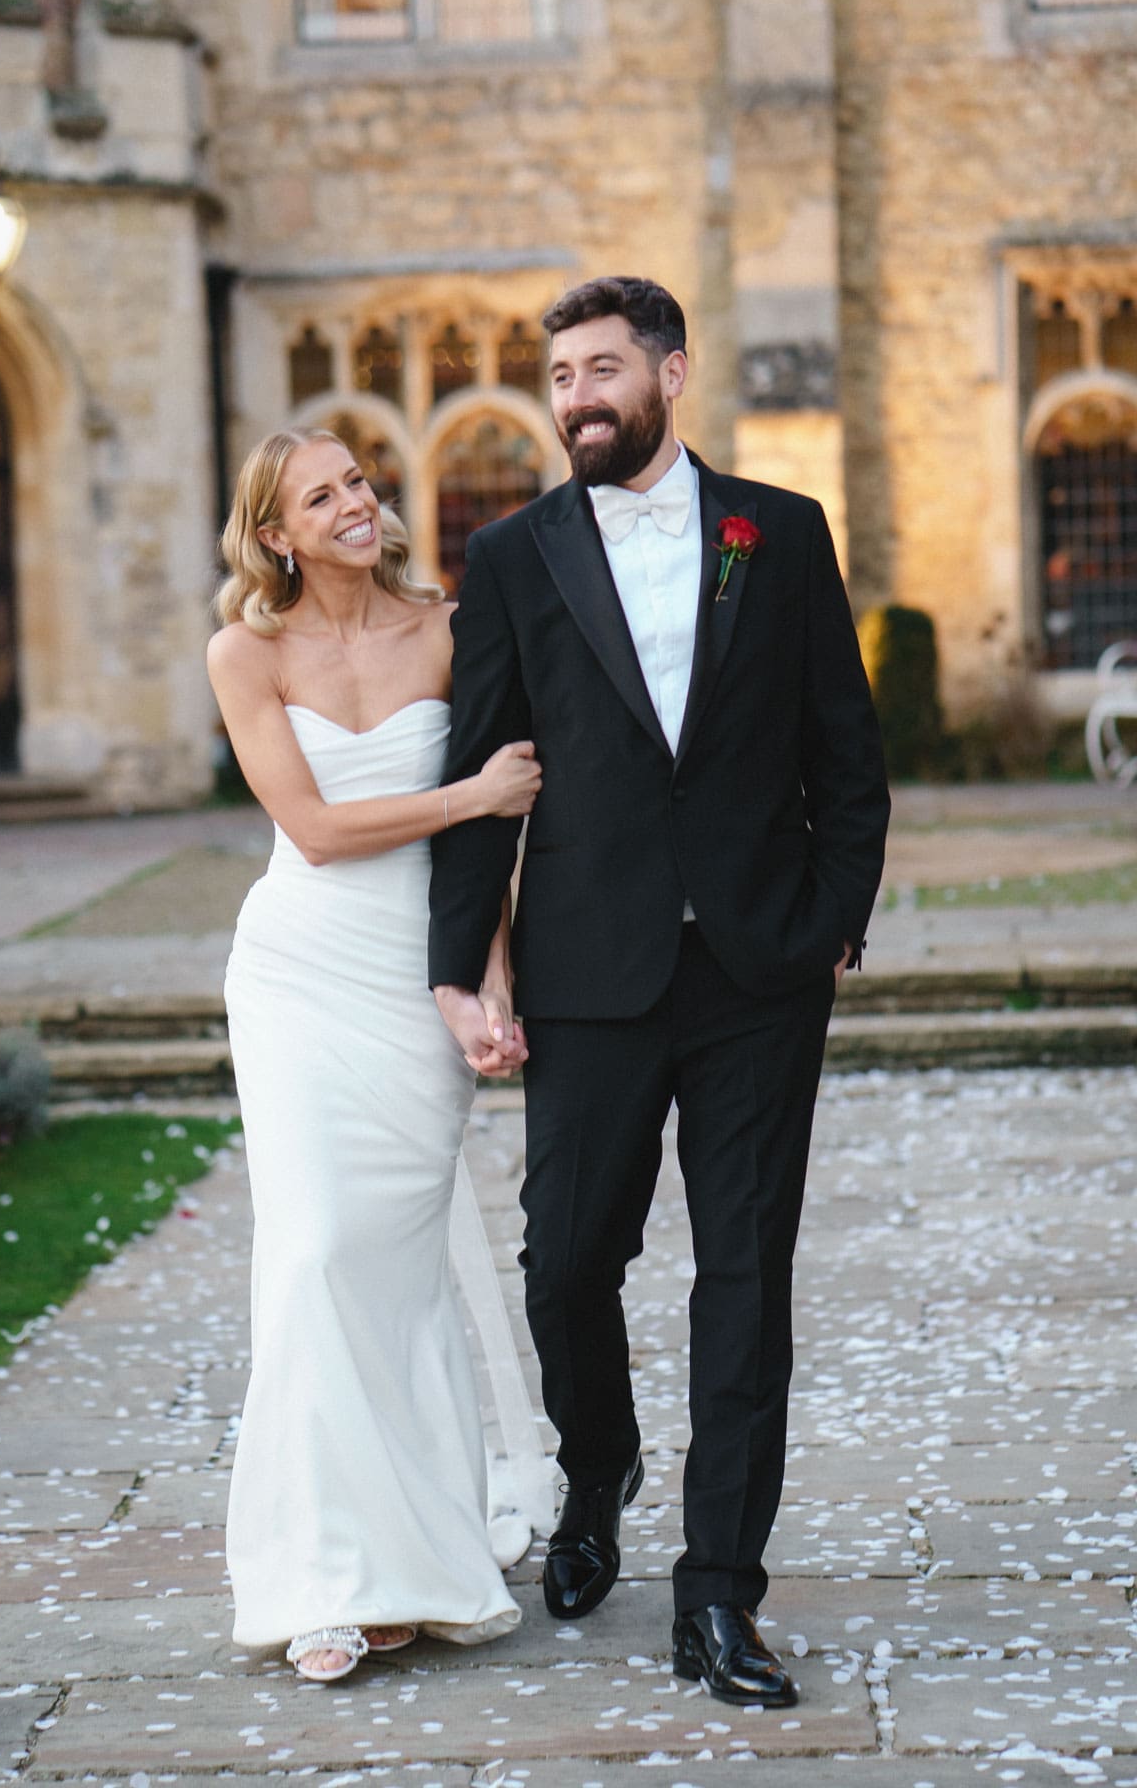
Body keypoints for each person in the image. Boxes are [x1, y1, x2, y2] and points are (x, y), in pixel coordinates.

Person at [428, 277, 891, 1709]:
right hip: (590, 974)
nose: (576, 397)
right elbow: (481, 777)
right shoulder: (509, 557)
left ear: (672, 375)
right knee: (567, 1259)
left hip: (759, 971)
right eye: (560, 375)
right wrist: (462, 969)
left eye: (602, 369)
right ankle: (597, 1467)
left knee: (746, 1289)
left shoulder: (782, 531)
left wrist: (826, 924)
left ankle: (717, 1598)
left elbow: (848, 755)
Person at [207, 427, 544, 1684]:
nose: (355, 502)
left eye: (358, 481)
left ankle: (410, 1559)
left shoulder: (451, 634)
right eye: (320, 495)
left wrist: (486, 988)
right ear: (277, 534)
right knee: (310, 1254)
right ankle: (318, 1580)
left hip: (418, 987)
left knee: (395, 1276)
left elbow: (483, 866)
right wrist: (472, 794)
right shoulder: (243, 651)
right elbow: (314, 825)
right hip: (297, 976)